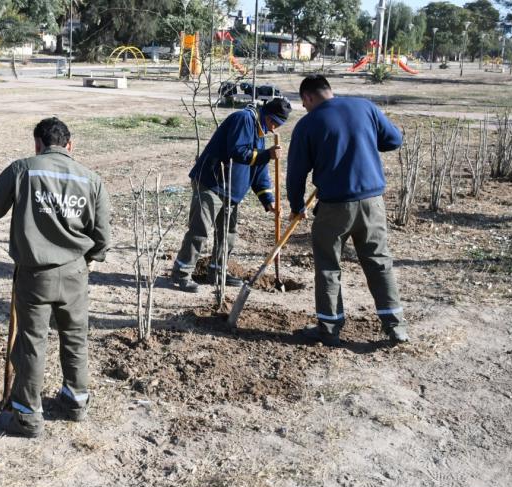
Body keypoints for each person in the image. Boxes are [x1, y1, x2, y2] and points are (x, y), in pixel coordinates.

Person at [0, 117, 111, 437]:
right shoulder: (92, 180)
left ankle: (26, 416)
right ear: (70, 145)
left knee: (32, 343)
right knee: (76, 337)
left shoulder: (23, 169)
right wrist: (85, 261)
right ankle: (76, 402)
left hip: (34, 275)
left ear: (37, 144)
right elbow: (103, 238)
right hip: (76, 273)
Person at [286, 75, 409, 346]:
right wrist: (362, 142)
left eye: (304, 104)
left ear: (307, 97)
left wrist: (296, 206)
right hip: (373, 203)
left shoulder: (308, 124)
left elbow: (296, 172)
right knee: (379, 263)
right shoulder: (365, 107)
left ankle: (329, 329)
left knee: (329, 266)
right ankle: (396, 327)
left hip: (334, 208)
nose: (305, 108)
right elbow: (394, 140)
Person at [171, 97, 292, 292]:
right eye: (274, 123)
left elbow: (259, 171)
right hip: (212, 183)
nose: (274, 129)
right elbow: (237, 151)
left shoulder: (260, 134)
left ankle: (217, 271)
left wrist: (268, 200)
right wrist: (266, 154)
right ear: (267, 116)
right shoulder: (243, 119)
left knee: (227, 234)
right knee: (199, 230)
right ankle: (181, 273)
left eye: (278, 126)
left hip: (231, 192)